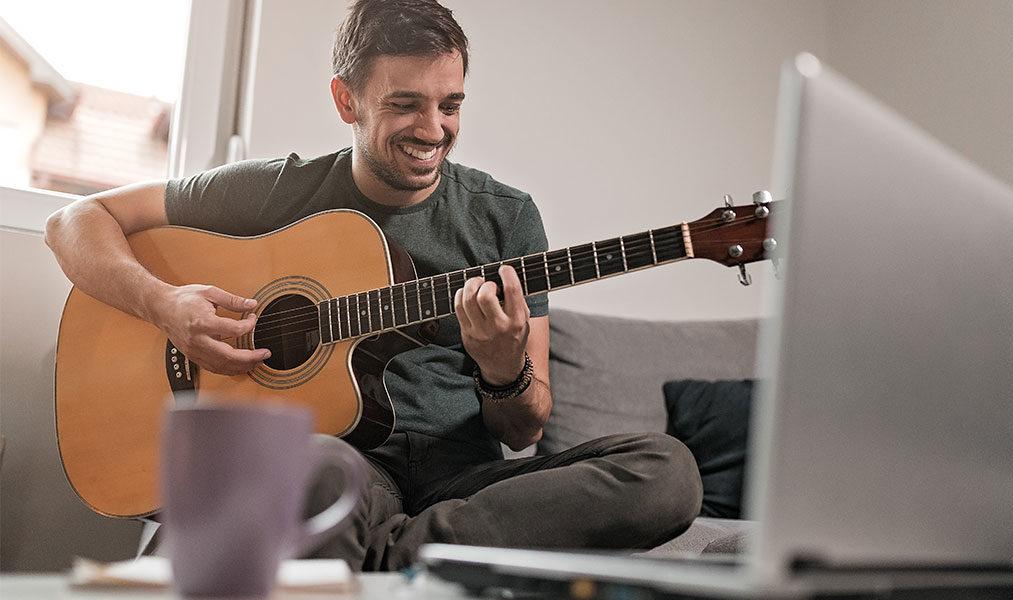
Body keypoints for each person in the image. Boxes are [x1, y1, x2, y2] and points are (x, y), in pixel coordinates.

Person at [45, 0, 701, 571]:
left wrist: (504, 373)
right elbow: (74, 221)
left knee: (667, 473)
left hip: (468, 482)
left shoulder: (506, 216)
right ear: (346, 99)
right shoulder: (281, 190)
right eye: (406, 105)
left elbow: (525, 431)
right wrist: (167, 305)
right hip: (343, 464)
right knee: (314, 469)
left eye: (451, 105)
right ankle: (413, 552)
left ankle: (394, 551)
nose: (433, 129)